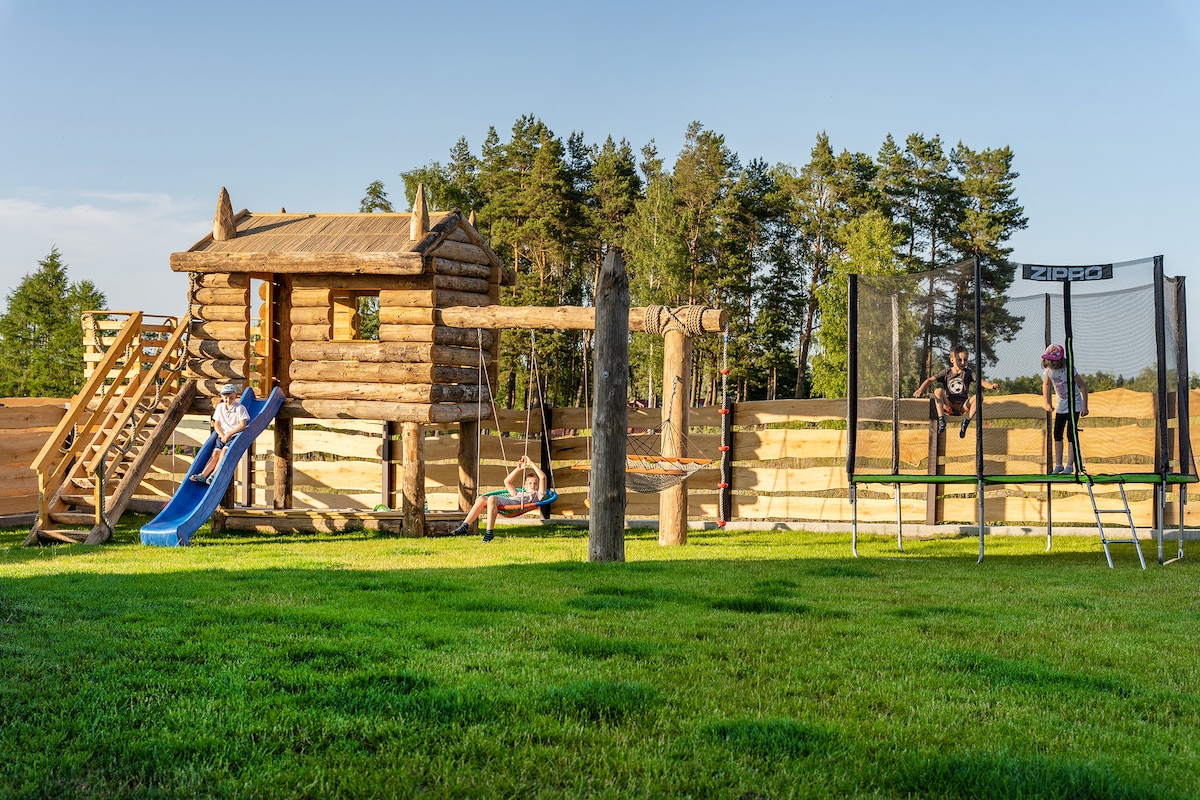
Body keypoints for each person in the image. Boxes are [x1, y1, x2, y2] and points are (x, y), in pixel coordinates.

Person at [452, 455, 547, 542]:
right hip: (507, 502)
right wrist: (518, 468)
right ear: (525, 485)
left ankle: (489, 533)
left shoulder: (538, 495)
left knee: (492, 498)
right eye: (530, 483)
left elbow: (543, 477)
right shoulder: (519, 492)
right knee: (481, 499)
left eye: (535, 483)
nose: (533, 485)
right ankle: (465, 526)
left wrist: (531, 463)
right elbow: (507, 482)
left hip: (515, 506)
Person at [913, 344, 998, 438]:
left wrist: (991, 386)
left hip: (962, 406)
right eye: (960, 360)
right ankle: (942, 421)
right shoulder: (946, 372)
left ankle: (966, 422)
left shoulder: (968, 373)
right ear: (952, 360)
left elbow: (981, 381)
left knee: (979, 397)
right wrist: (920, 389)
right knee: (938, 391)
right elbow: (929, 380)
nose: (962, 363)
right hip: (949, 405)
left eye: (965, 360)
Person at [1041, 343, 1089, 474]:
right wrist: (1047, 403)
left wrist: (1085, 406)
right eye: (1047, 359)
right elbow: (1045, 385)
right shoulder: (1049, 371)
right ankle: (1058, 464)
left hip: (1074, 405)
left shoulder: (1069, 370)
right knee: (1057, 433)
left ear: (1060, 360)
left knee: (1070, 434)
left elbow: (1083, 386)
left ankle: (1069, 465)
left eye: (1052, 360)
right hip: (1061, 405)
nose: (1049, 362)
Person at [190, 383, 250, 485]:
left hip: (234, 436)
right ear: (222, 397)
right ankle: (203, 475)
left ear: (236, 396)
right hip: (222, 436)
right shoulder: (220, 407)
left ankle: (214, 475)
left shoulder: (240, 408)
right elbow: (217, 425)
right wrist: (222, 435)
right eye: (226, 398)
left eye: (231, 398)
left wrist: (228, 434)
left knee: (224, 452)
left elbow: (242, 425)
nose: (228, 400)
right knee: (215, 454)